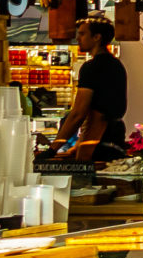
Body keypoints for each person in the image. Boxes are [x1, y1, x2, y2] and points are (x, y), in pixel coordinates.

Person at [51, 17, 127, 161]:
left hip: (97, 141)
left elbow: (78, 113)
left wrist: (53, 148)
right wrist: (78, 143)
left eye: (82, 34)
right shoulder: (117, 65)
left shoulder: (91, 68)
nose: (78, 38)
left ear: (97, 37)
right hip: (116, 138)